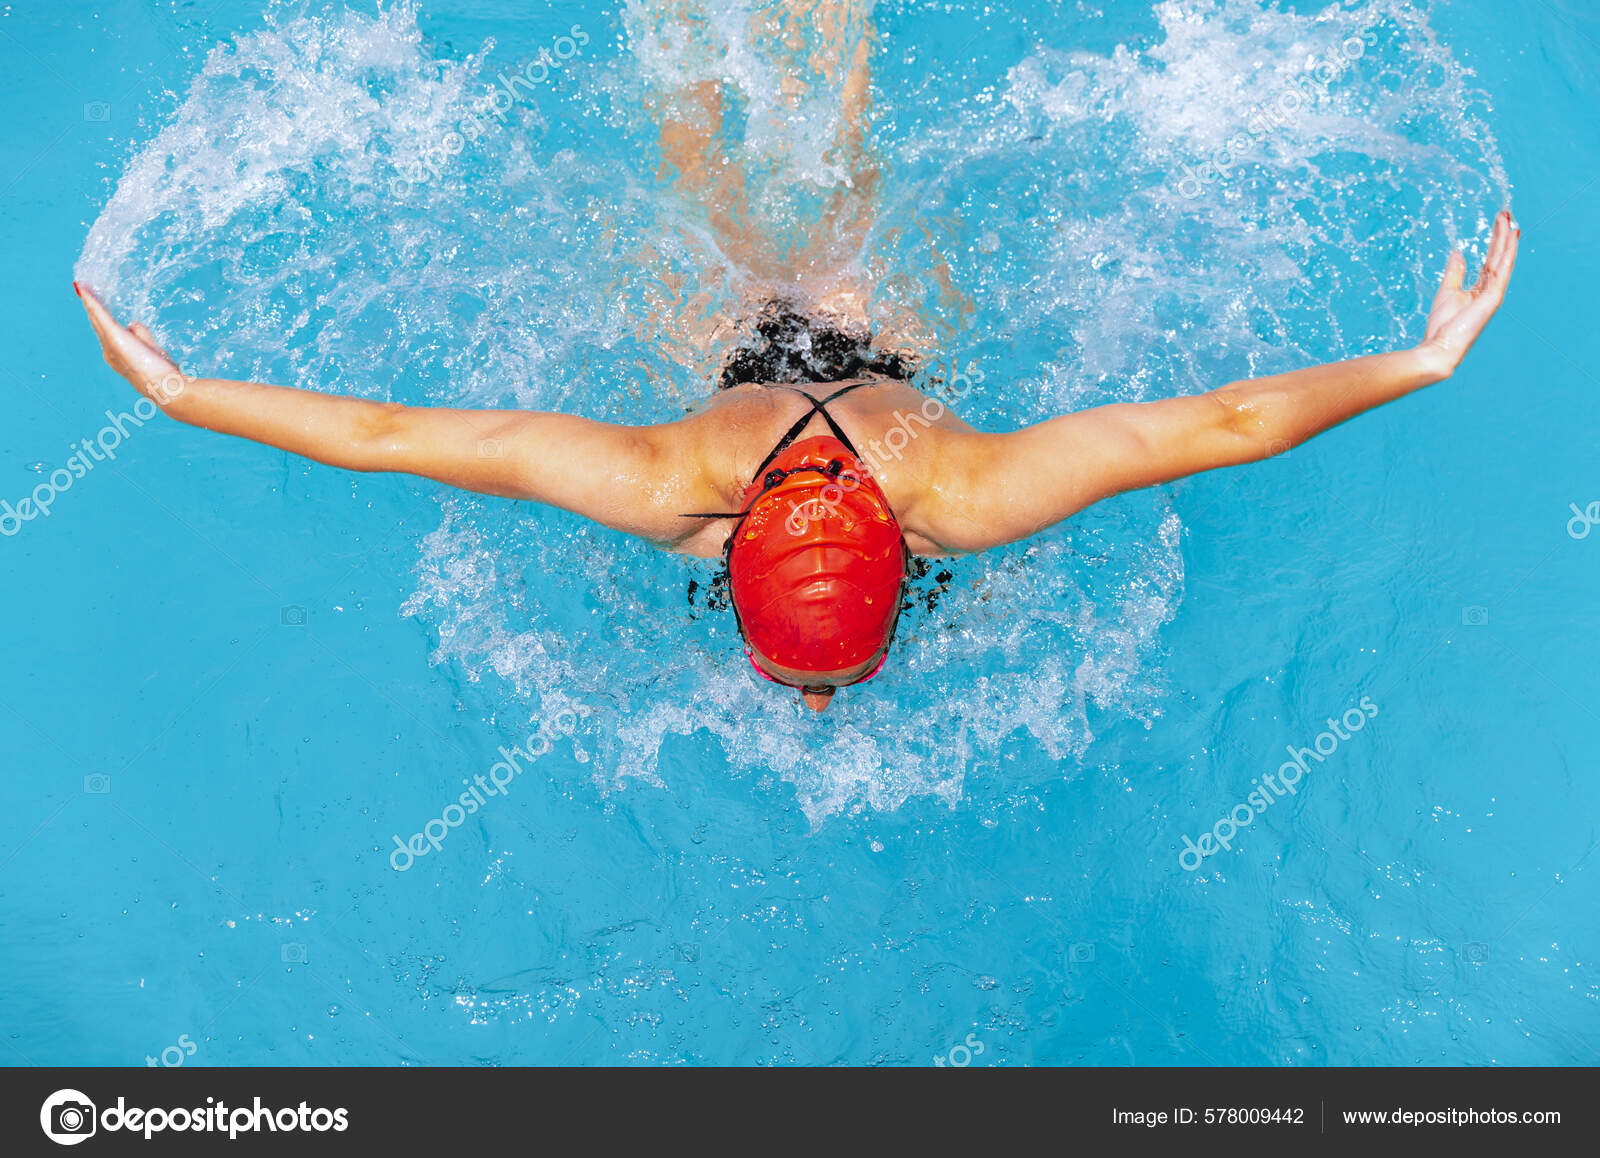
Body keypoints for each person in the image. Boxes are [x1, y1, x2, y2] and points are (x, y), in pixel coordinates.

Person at [74, 7, 1519, 713]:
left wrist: (188, 393)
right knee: (732, 147)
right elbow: (1224, 422)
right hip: (744, 364)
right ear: (882, 543)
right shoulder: (740, 482)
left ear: (749, 536)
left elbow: (1225, 422)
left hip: (809, 361)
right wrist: (185, 395)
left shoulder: (913, 486)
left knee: (811, 145)